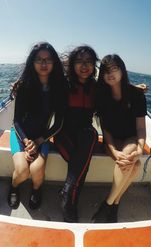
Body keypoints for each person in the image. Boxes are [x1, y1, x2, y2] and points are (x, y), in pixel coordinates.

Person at [8, 42, 67, 210]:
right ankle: (13, 186)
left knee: (37, 171)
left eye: (48, 60)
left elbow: (58, 123)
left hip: (42, 137)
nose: (43, 64)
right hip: (20, 135)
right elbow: (16, 121)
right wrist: (27, 142)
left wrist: (39, 141)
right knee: (22, 171)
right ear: (32, 62)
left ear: (54, 63)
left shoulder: (59, 88)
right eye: (39, 59)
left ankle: (36, 189)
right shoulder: (23, 86)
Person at [92, 54, 147, 223]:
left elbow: (140, 128)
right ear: (102, 75)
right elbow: (105, 130)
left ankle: (107, 204)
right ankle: (115, 204)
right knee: (135, 166)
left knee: (131, 155)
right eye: (106, 70)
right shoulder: (101, 96)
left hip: (130, 138)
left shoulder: (136, 95)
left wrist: (140, 148)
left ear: (122, 70)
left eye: (115, 68)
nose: (111, 73)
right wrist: (114, 150)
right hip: (111, 141)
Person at [54, 45, 99, 222]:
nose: (84, 65)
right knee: (83, 162)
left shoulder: (96, 87)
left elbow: (116, 86)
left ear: (94, 66)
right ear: (72, 64)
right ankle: (69, 198)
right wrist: (20, 85)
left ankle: (68, 197)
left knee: (90, 135)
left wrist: (134, 89)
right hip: (63, 136)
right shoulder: (63, 84)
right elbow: (40, 84)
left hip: (85, 137)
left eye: (89, 62)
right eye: (79, 61)